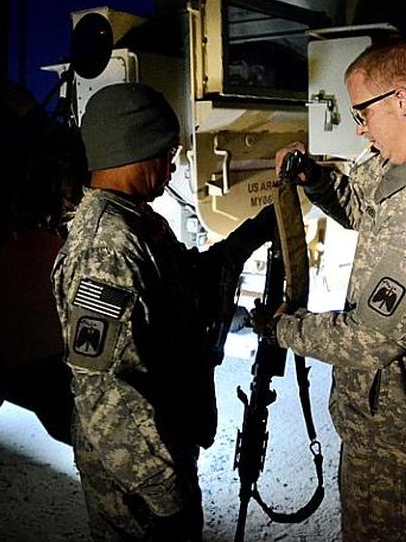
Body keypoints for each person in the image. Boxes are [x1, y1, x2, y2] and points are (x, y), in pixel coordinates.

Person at [265, 39, 406, 541]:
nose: (359, 127)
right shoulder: (397, 166)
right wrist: (314, 179)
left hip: (399, 435)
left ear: (403, 99)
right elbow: (356, 203)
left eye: (362, 113)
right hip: (373, 418)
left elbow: (368, 341)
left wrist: (283, 327)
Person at [51, 82, 274, 541]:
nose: (172, 166)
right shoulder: (108, 248)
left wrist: (247, 238)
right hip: (134, 478)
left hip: (160, 445)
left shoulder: (136, 221)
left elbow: (185, 282)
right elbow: (106, 392)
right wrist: (165, 495)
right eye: (167, 152)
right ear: (138, 147)